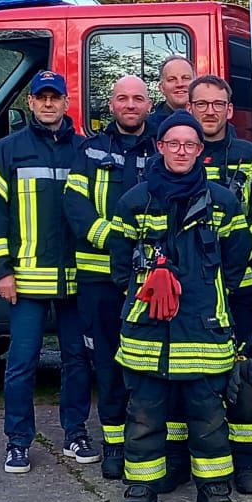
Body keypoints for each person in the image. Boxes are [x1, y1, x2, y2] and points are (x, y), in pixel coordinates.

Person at [108, 111, 252, 502]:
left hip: (203, 326)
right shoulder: (134, 201)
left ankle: (214, 489)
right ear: (160, 147)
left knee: (208, 416)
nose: (181, 151)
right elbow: (119, 264)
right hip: (147, 330)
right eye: (173, 143)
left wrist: (208, 291)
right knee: (144, 414)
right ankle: (141, 488)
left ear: (200, 151)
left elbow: (237, 257)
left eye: (190, 145)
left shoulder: (222, 201)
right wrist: (143, 287)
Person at [0, 70, 95, 475]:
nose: (48, 104)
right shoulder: (7, 150)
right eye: (41, 97)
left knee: (77, 360)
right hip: (26, 280)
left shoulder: (84, 150)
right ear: (30, 102)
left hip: (77, 278)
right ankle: (18, 442)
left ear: (66, 102)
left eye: (55, 97)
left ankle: (75, 433)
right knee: (22, 363)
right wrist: (2, 271)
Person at [64, 75, 154, 480]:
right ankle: (114, 446)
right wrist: (114, 239)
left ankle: (148, 444)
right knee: (107, 363)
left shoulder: (161, 147)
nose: (130, 105)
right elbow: (75, 204)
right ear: (111, 105)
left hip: (149, 280)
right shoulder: (91, 150)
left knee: (150, 365)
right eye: (122, 98)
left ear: (149, 104)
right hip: (99, 278)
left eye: (137, 98)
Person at [188, 75, 252, 491]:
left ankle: (248, 464)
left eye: (217, 104)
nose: (210, 111)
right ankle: (193, 458)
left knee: (246, 376)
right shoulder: (178, 155)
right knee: (195, 376)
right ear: (190, 108)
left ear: (229, 109)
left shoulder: (250, 158)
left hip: (241, 285)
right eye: (201, 104)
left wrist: (235, 258)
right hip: (193, 290)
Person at [145, 55, 196, 134]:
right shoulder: (147, 128)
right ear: (161, 88)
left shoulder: (208, 122)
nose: (180, 84)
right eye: (172, 79)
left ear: (196, 84)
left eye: (186, 78)